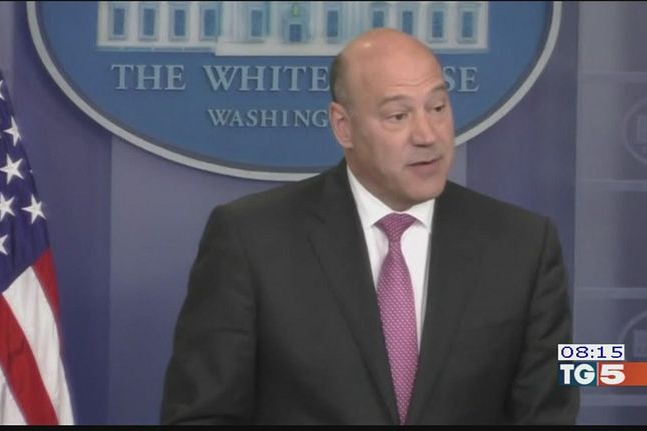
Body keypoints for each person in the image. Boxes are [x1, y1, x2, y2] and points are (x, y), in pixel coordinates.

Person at [161, 28, 579, 425]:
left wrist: (630, 372)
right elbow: (202, 414)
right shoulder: (250, 240)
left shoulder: (524, 246)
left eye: (438, 107)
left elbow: (548, 411)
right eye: (398, 115)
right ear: (344, 126)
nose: (428, 134)